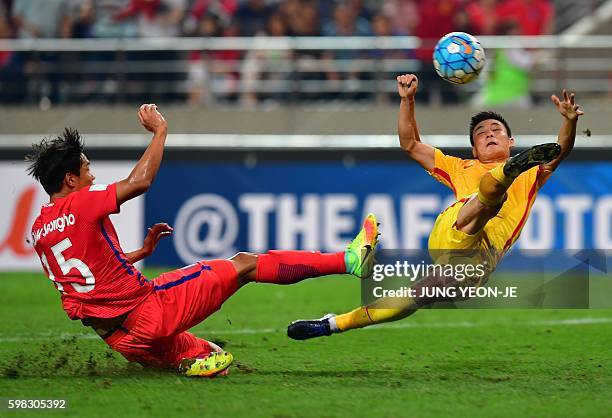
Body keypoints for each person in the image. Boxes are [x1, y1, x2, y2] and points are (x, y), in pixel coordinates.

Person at [26, 104, 380, 376]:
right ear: (70, 179)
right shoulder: (81, 201)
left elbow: (86, 278)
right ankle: (349, 261)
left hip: (124, 341)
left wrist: (140, 253)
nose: (93, 175)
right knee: (245, 264)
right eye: (87, 169)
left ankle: (187, 362)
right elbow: (140, 182)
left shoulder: (40, 229)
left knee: (216, 358)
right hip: (150, 311)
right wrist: (160, 131)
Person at [287, 73, 584, 340]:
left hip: (476, 264)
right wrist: (407, 100)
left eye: (496, 130)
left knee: (412, 298)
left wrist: (569, 121)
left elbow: (561, 150)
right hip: (453, 230)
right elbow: (410, 144)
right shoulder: (460, 167)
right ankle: (503, 175)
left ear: (511, 140)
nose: (489, 134)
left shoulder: (533, 173)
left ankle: (332, 324)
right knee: (493, 198)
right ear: (474, 149)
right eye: (481, 133)